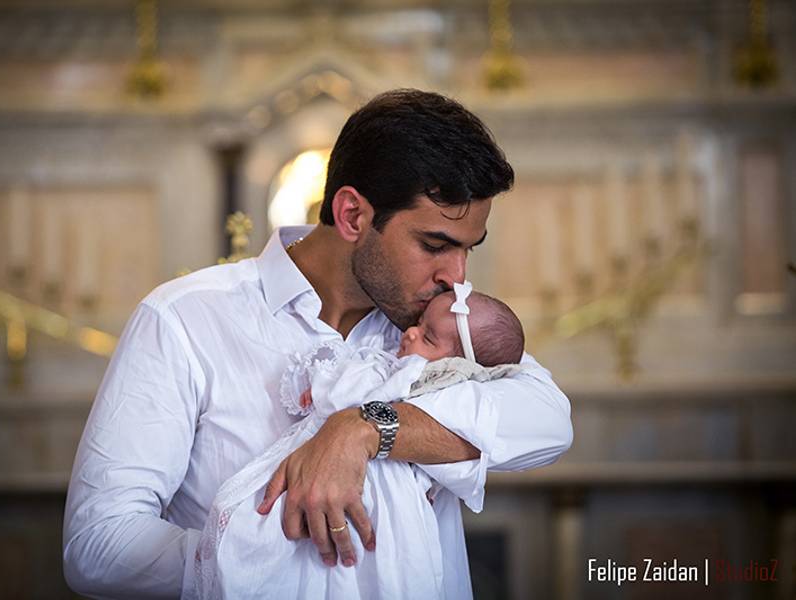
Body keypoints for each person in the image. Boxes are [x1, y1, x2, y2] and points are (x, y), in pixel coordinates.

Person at [63, 89, 573, 600]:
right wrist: (262, 559)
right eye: (435, 245)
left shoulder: (437, 329)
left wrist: (364, 429)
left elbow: (549, 419)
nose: (455, 277)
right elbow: (98, 546)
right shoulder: (184, 320)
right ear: (352, 215)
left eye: (467, 250)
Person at [196, 284, 527, 599]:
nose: (411, 333)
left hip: (374, 484)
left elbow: (352, 397)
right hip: (389, 498)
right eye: (418, 323)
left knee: (286, 531)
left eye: (427, 337)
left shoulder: (410, 377)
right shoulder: (432, 383)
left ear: (456, 365)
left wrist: (324, 385)